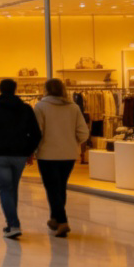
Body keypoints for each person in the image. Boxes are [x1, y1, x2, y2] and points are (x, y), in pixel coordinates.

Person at [0, 78, 43, 238]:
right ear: (15, 89)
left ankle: (13, 224)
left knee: (5, 189)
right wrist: (29, 151)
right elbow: (36, 134)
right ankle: (12, 223)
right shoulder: (25, 109)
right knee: (13, 188)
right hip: (19, 154)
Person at [34, 78, 89, 237]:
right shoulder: (74, 107)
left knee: (52, 188)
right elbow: (84, 133)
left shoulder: (40, 107)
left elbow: (38, 132)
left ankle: (63, 221)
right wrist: (72, 143)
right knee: (60, 187)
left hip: (47, 155)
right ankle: (54, 219)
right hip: (69, 155)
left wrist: (34, 150)